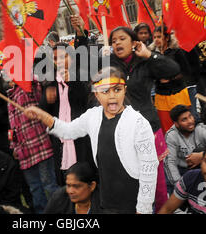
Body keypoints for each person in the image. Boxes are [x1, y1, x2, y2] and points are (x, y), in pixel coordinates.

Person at [25, 66, 159, 214]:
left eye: (117, 90)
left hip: (133, 204)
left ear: (124, 90)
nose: (112, 96)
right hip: (106, 203)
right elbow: (68, 131)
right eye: (105, 91)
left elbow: (149, 168)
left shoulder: (138, 123)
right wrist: (43, 116)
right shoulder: (92, 117)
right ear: (96, 94)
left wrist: (143, 208)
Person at [105, 26, 179, 211]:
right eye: (114, 41)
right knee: (130, 180)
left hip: (148, 127)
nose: (117, 43)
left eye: (122, 39)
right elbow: (83, 71)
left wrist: (149, 55)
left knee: (156, 183)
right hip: (120, 130)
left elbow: (173, 69)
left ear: (134, 42)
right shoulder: (107, 64)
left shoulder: (146, 61)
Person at [39, 39, 94, 185]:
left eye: (64, 57)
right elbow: (44, 111)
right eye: (56, 58)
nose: (60, 61)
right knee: (65, 177)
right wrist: (46, 98)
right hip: (60, 137)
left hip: (81, 135)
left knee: (85, 173)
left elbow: (88, 100)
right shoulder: (50, 81)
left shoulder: (82, 74)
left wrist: (73, 82)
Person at [7, 80, 59, 214]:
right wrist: (14, 146)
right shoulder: (9, 96)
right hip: (24, 152)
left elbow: (37, 84)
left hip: (40, 146)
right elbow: (13, 126)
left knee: (50, 185)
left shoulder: (30, 87)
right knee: (35, 188)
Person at [164, 105, 206, 192]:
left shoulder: (201, 128)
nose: (190, 121)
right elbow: (170, 162)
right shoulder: (171, 135)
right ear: (176, 124)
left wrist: (202, 155)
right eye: (184, 119)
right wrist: (180, 187)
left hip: (203, 166)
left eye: (190, 116)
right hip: (181, 169)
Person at [150, 25, 194, 132]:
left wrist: (170, 78)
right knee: (168, 128)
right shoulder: (151, 54)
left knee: (184, 125)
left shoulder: (176, 52)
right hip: (161, 95)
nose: (156, 40)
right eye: (154, 37)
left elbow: (186, 71)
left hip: (178, 93)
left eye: (159, 37)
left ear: (167, 38)